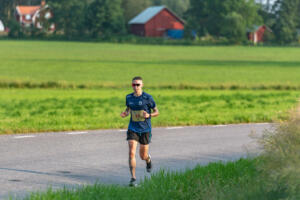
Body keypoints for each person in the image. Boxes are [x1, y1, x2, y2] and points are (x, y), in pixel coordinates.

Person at [120, 76, 159, 187]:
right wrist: (125, 113)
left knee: (143, 155)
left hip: (145, 129)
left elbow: (157, 112)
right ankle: (133, 178)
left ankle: (148, 160)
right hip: (133, 128)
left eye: (138, 85)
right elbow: (128, 109)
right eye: (134, 85)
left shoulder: (148, 98)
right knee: (131, 152)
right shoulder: (129, 97)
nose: (136, 87)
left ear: (142, 85)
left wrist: (149, 115)